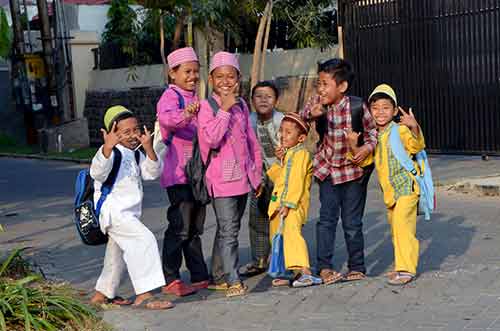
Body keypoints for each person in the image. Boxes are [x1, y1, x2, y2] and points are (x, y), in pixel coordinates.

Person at [300, 58, 377, 285]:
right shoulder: (317, 103)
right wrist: (310, 115)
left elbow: (373, 133)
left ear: (341, 86)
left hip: (353, 173)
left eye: (325, 84)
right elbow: (301, 120)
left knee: (352, 222)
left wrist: (365, 147)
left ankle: (357, 266)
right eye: (319, 84)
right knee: (326, 221)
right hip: (327, 171)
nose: (320, 89)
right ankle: (324, 267)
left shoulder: (356, 106)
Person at [89, 106, 173, 310]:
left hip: (128, 215)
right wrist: (107, 148)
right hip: (114, 214)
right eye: (126, 132)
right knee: (144, 240)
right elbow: (97, 173)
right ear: (111, 133)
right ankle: (144, 294)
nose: (134, 135)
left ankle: (101, 295)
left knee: (115, 255)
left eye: (135, 130)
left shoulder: (135, 154)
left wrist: (149, 148)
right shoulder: (110, 153)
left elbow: (152, 173)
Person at [197, 51, 262, 297]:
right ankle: (233, 280)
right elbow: (211, 139)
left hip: (243, 178)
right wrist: (223, 109)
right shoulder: (207, 106)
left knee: (227, 229)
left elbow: (251, 141)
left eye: (230, 76)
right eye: (220, 76)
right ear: (211, 79)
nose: (225, 81)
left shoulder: (243, 105)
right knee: (229, 229)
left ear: (238, 78)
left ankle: (218, 275)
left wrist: (255, 176)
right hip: (221, 180)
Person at [156, 47, 209, 297]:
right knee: (179, 226)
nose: (193, 76)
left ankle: (198, 274)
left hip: (197, 174)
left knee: (195, 226)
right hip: (178, 174)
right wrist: (187, 114)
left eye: (196, 71)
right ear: (172, 73)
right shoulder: (171, 96)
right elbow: (167, 120)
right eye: (187, 71)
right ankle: (170, 276)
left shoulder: (196, 96)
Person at [364, 84, 425, 285]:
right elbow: (364, 161)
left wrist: (414, 126)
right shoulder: (374, 136)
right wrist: (352, 144)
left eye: (385, 107)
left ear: (394, 109)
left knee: (402, 227)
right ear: (370, 110)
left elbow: (416, 145)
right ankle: (401, 266)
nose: (380, 112)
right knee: (397, 229)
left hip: (407, 188)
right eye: (376, 108)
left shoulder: (400, 130)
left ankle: (406, 269)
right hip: (390, 194)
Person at [267, 112, 323, 287]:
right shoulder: (288, 154)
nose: (282, 135)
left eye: (288, 132)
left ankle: (305, 271)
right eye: (281, 131)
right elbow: (277, 178)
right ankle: (285, 272)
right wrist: (279, 160)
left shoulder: (302, 154)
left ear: (301, 138)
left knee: (292, 234)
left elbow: (297, 181)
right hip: (277, 204)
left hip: (293, 205)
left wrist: (288, 203)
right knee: (277, 235)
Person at [239, 81, 284, 277]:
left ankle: (286, 260)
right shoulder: (248, 121)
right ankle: (259, 260)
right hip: (259, 177)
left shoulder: (282, 120)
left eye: (269, 96)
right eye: (259, 96)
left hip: (281, 176)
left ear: (276, 100)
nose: (264, 100)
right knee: (257, 217)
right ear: (252, 100)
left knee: (282, 219)